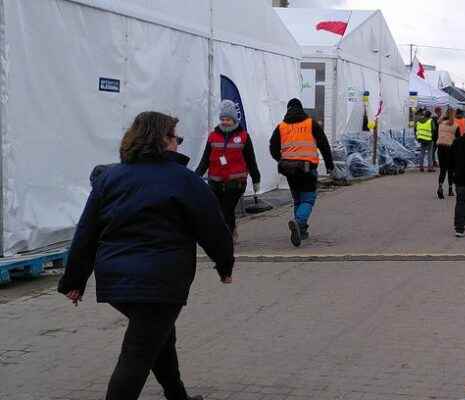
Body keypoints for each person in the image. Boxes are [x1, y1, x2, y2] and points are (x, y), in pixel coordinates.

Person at [58, 111, 234, 400]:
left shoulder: (110, 178)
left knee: (159, 336)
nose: (178, 144)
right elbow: (213, 227)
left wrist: (74, 280)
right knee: (138, 351)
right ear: (161, 140)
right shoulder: (184, 180)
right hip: (163, 281)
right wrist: (224, 264)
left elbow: (87, 231)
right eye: (175, 138)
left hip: (116, 281)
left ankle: (177, 396)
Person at [270, 98, 334, 247]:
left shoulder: (281, 127)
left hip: (289, 170)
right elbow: (324, 145)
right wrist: (329, 165)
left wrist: (282, 159)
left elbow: (272, 148)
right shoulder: (310, 124)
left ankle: (302, 230)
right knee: (308, 199)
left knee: (298, 199)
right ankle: (298, 223)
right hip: (307, 168)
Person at [194, 100, 261, 240]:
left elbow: (251, 160)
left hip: (236, 183)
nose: (225, 122)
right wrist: (196, 175)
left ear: (234, 120)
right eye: (223, 119)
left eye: (228, 119)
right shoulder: (213, 136)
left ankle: (226, 238)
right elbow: (205, 159)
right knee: (219, 210)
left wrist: (256, 179)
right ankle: (231, 230)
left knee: (226, 209)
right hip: (215, 181)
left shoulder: (243, 137)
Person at [436, 109, 460, 199]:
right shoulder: (455, 126)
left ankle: (440, 186)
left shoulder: (440, 124)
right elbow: (458, 139)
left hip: (440, 147)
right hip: (450, 148)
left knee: (443, 169)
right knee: (450, 170)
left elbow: (436, 134)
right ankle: (450, 190)